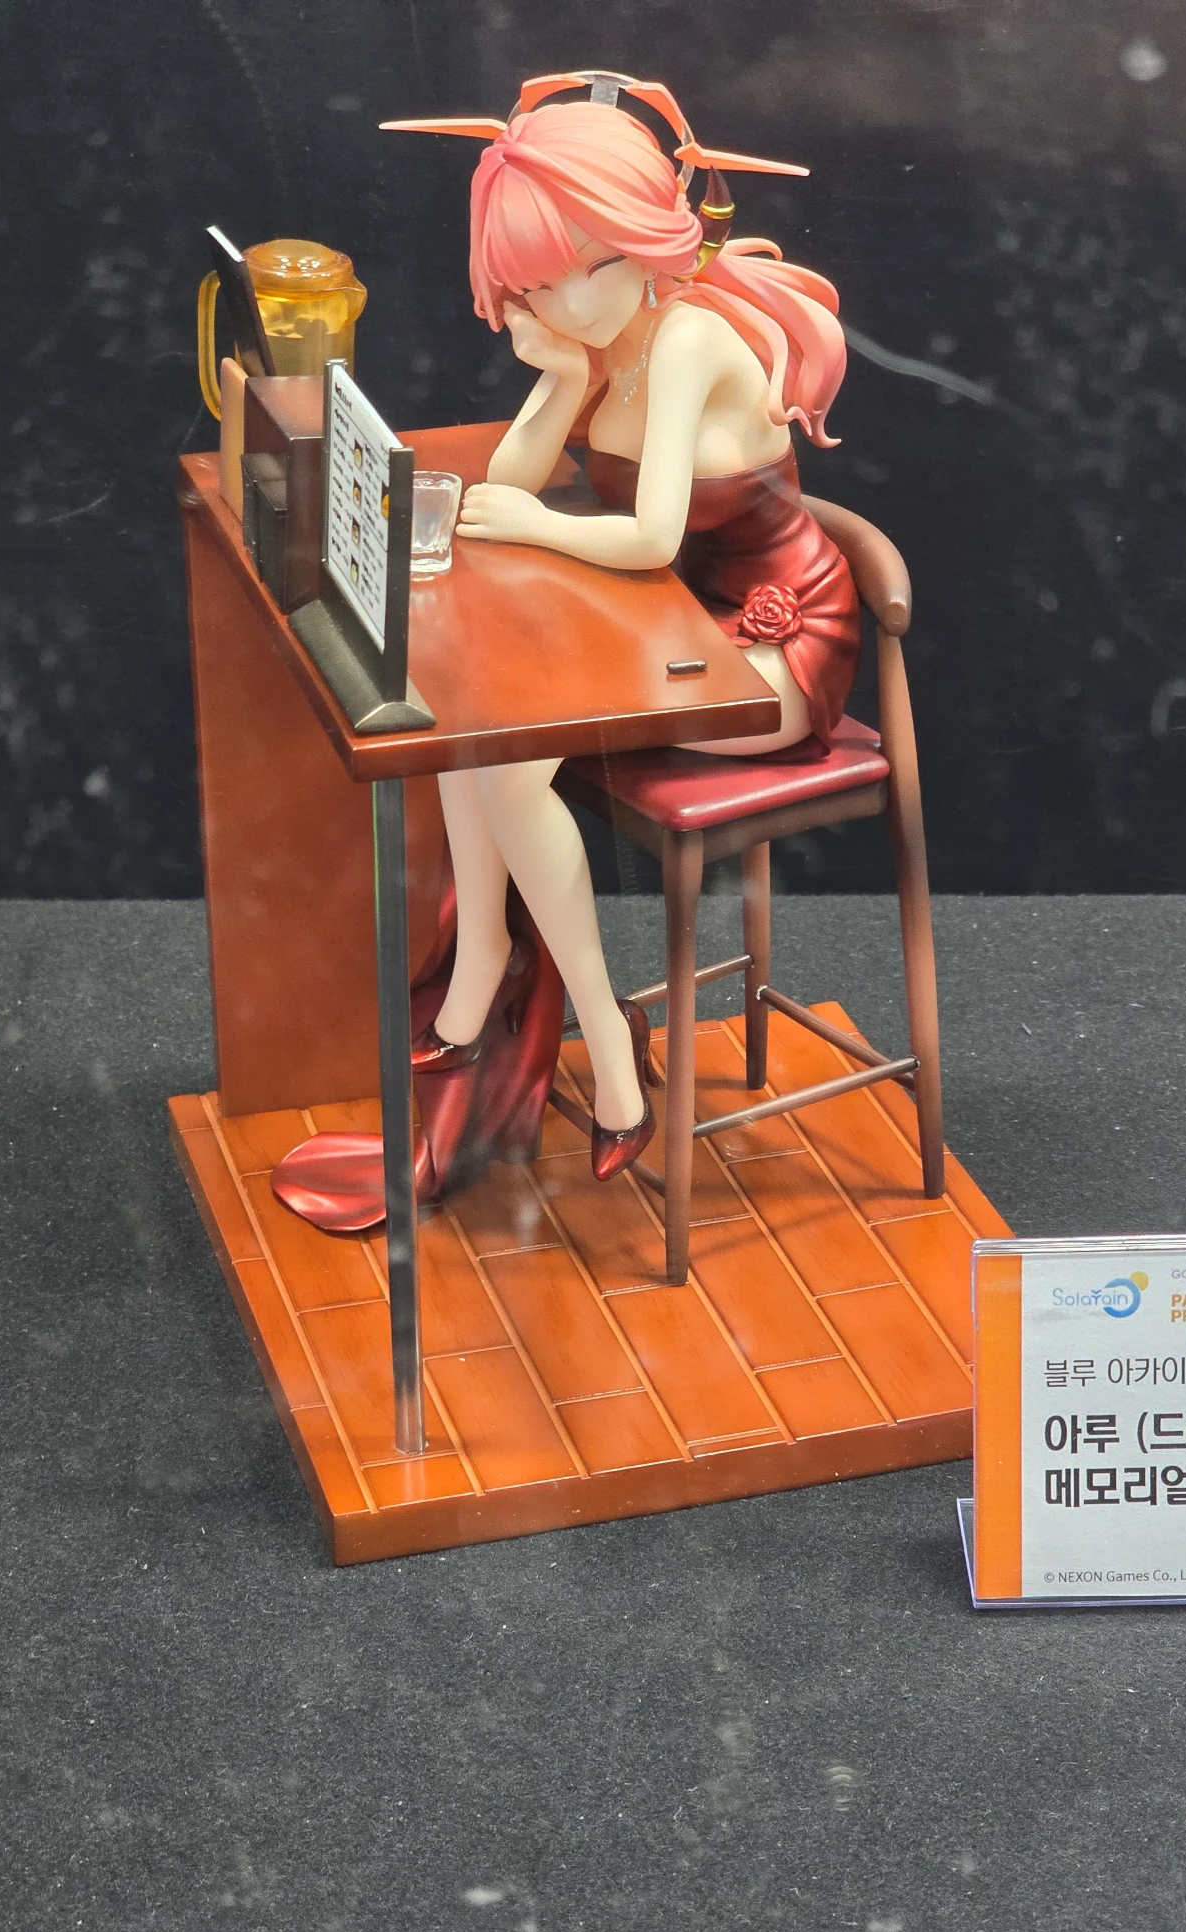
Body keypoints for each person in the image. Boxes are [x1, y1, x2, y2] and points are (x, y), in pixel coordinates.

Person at [403, 82, 859, 1183]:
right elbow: (508, 484)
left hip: (775, 649)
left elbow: (649, 536)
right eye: (531, 283)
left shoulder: (689, 335)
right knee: (479, 732)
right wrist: (559, 378)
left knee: (510, 761)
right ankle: (484, 968)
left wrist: (536, 525)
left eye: (576, 269)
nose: (555, 301)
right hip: (680, 629)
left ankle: (605, 1043)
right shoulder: (607, 334)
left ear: (641, 239)